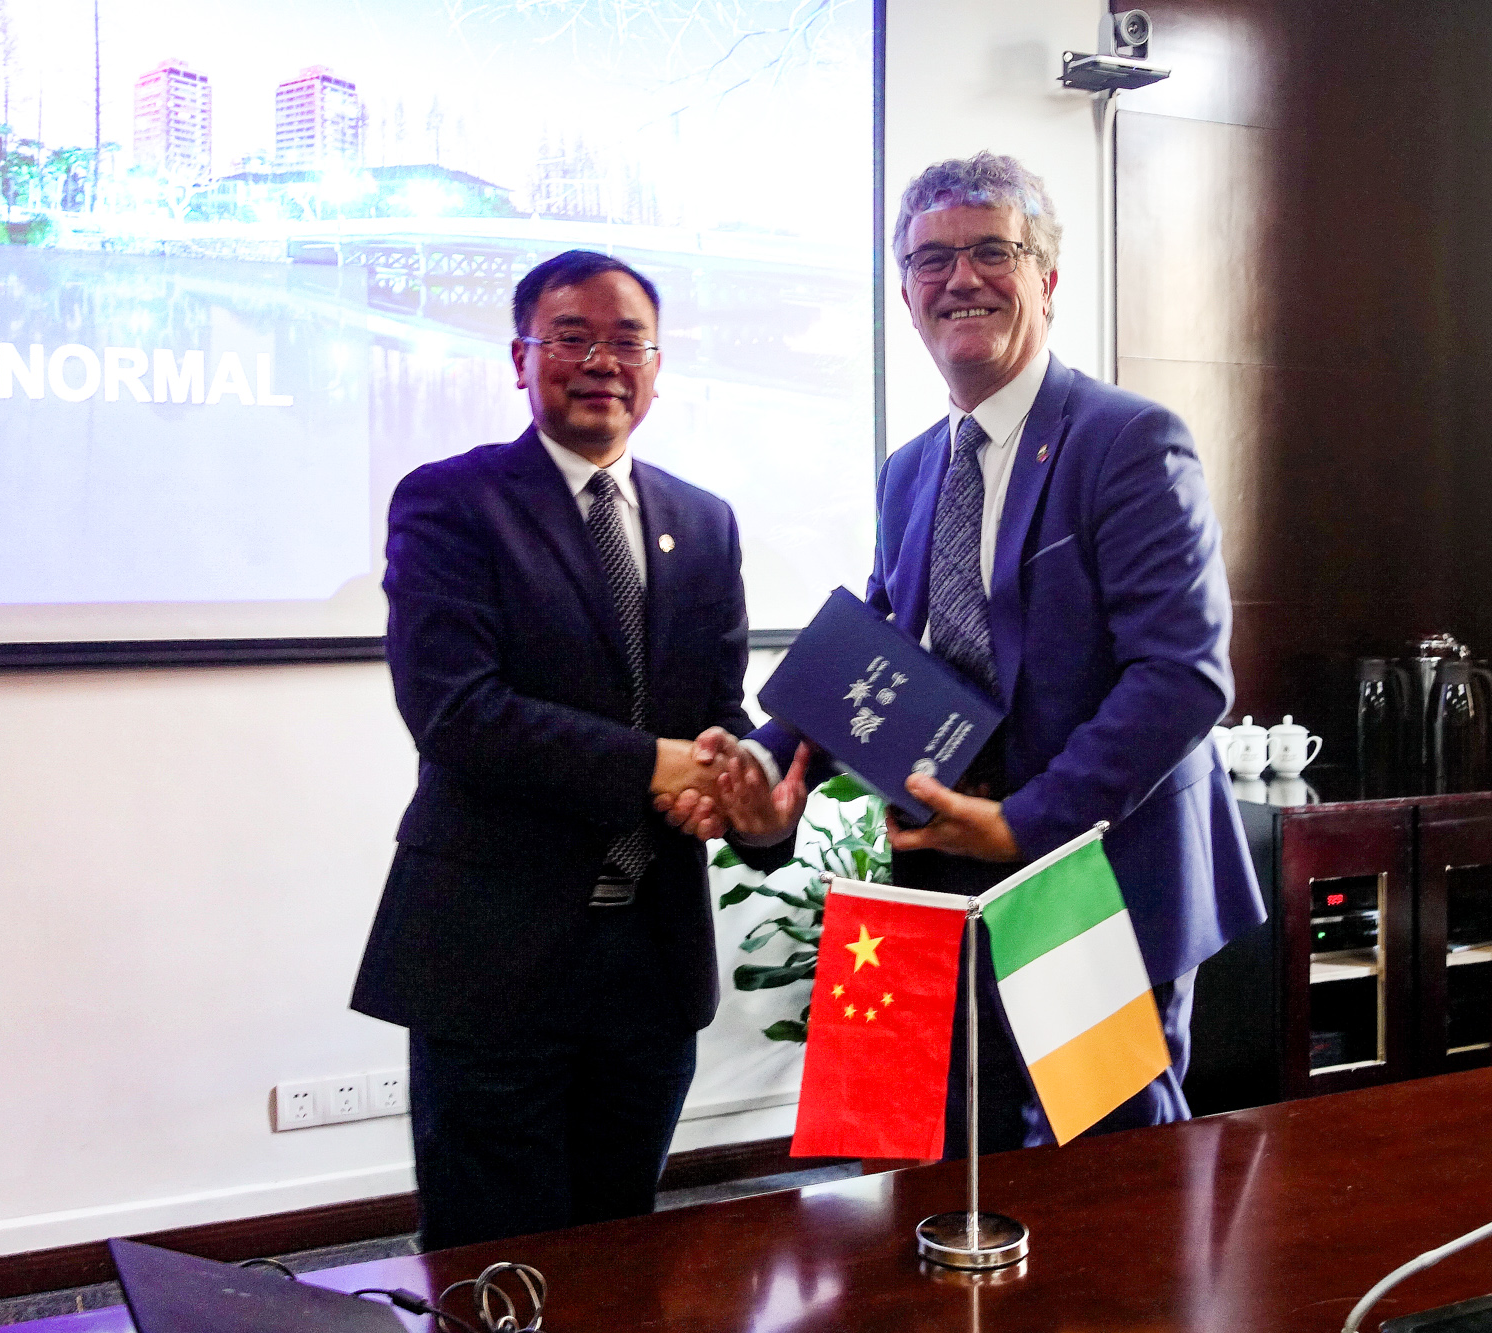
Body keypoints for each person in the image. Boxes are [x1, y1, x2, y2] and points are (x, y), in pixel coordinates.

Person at [688, 152, 1265, 1152]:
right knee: (953, 1160)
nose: (960, 278)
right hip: (942, 870)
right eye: (931, 260)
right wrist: (769, 770)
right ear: (907, 296)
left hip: (1090, 872)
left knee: (1110, 1172)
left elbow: (1183, 675)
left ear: (1046, 276)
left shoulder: (1127, 440)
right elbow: (871, 654)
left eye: (992, 251)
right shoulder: (911, 469)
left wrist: (1021, 824)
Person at [351, 249, 790, 1249]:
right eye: (571, 337)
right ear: (520, 358)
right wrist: (657, 767)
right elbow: (456, 712)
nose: (602, 362)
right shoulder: (452, 502)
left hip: (648, 965)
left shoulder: (703, 523)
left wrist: (753, 805)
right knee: (493, 1260)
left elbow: (714, 718)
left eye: (628, 340)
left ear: (657, 366)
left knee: (620, 1249)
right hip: (492, 959)